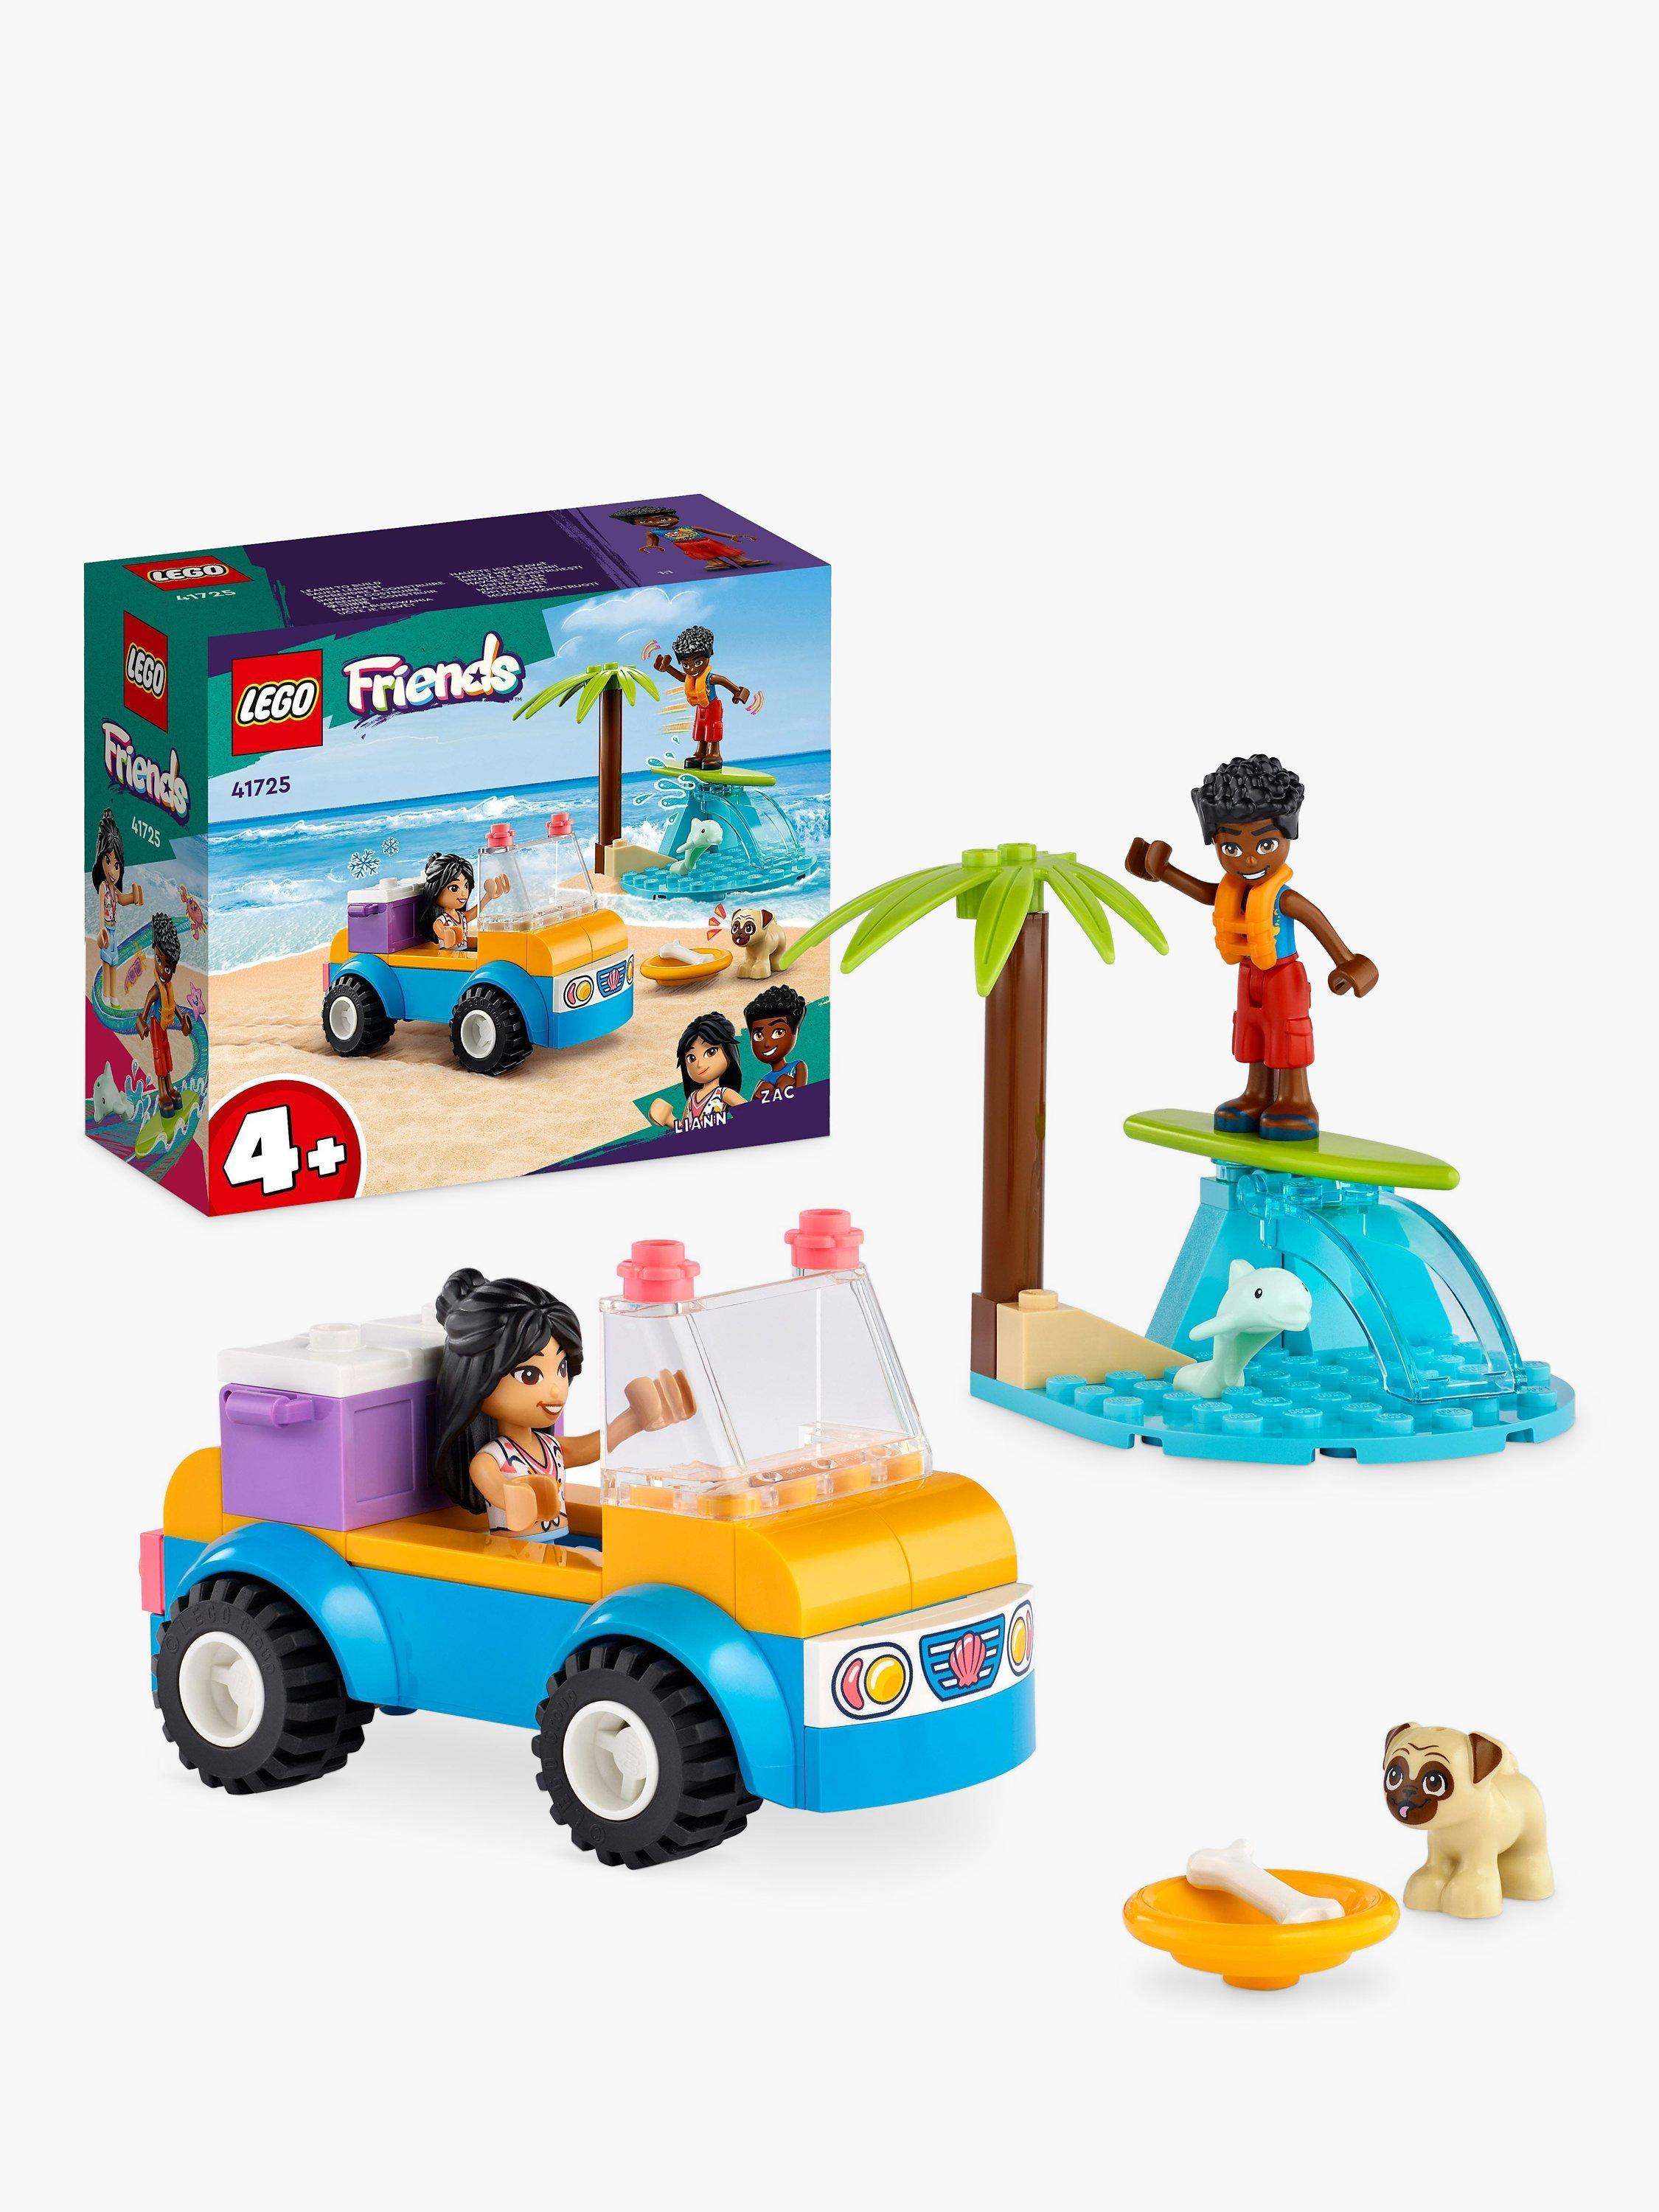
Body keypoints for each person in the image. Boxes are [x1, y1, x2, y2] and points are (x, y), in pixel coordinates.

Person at [1127, 754, 1378, 1140]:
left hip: (1283, 976)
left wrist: (1347, 963)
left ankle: (1296, 1100)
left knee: (1288, 1034)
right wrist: (1162, 873)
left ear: (1288, 836)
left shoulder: (1284, 898)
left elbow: (1318, 922)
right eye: (1230, 848)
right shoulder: (1235, 890)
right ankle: (1257, 1094)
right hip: (1249, 974)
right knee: (1252, 1032)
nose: (1248, 859)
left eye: (1266, 844)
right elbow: (1206, 893)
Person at [431, 1269, 690, 1546]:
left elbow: (590, 1447)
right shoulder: (491, 1459)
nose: (557, 1389)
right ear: (478, 1380)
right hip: (513, 1553)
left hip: (555, 1546)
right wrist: (517, 1495)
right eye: (530, 1375)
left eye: (561, 1369)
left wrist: (635, 1419)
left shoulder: (548, 1447)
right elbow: (497, 1490)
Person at [652, 625, 751, 768]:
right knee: (700, 729)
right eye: (686, 665)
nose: (692, 669)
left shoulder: (710, 678)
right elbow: (682, 677)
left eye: (698, 663)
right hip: (700, 707)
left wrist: (738, 692)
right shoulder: (691, 677)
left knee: (713, 729)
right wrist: (667, 668)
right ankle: (700, 753)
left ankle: (715, 754)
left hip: (712, 707)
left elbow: (724, 681)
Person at [649, 1010, 746, 1132]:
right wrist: (670, 1121)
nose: (699, 1064)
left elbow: (750, 1114)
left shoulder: (723, 1094)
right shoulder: (692, 1097)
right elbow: (686, 1130)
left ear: (728, 1051)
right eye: (691, 1058)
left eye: (711, 1052)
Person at [136, 911, 193, 1116]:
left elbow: (173, 1004)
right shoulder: (155, 990)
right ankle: (162, 1093)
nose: (162, 969)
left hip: (164, 1028)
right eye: (159, 961)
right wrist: (142, 1025)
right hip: (156, 1026)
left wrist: (182, 1020)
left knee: (167, 1058)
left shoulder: (168, 988)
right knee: (160, 1059)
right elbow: (144, 1012)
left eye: (168, 968)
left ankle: (170, 1088)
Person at [611, 504, 767, 574]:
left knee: (724, 550)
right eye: (645, 521)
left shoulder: (687, 527)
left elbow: (708, 531)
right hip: (685, 545)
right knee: (705, 556)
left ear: (674, 517)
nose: (658, 522)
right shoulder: (653, 531)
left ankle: (742, 560)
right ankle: (716, 563)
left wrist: (730, 536)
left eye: (663, 518)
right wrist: (651, 546)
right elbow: (652, 541)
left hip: (705, 541)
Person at [91, 809, 144, 1004]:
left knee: (114, 962)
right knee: (106, 963)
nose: (113, 871)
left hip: (114, 932)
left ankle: (113, 996)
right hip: (107, 931)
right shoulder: (104, 887)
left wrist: (134, 897)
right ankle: (106, 995)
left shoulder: (114, 890)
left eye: (117, 865)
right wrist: (101, 929)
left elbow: (122, 899)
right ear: (101, 861)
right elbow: (100, 910)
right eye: (108, 861)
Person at [414, 852, 505, 949]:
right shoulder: (440, 922)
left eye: (466, 886)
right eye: (454, 888)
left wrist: (488, 897)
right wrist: (450, 935)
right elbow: (447, 941)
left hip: (463, 952)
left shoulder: (461, 916)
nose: (463, 893)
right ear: (436, 890)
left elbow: (475, 912)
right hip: (449, 955)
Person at [745, 984, 807, 1102]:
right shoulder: (763, 1081)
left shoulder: (798, 1067)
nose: (767, 1044)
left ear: (795, 1032)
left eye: (778, 1032)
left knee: (785, 1080)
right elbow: (751, 1109)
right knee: (765, 1087)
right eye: (759, 1036)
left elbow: (802, 1098)